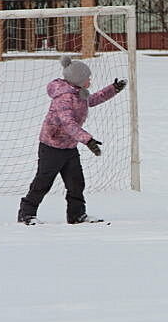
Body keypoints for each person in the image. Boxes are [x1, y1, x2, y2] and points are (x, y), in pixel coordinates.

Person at [18, 55, 126, 225]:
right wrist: (88, 140)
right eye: (87, 78)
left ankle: (77, 215)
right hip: (52, 146)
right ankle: (26, 214)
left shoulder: (78, 93)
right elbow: (68, 123)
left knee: (76, 182)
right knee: (43, 182)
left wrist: (113, 89)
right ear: (78, 79)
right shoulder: (64, 97)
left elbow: (92, 100)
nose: (90, 80)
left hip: (69, 146)